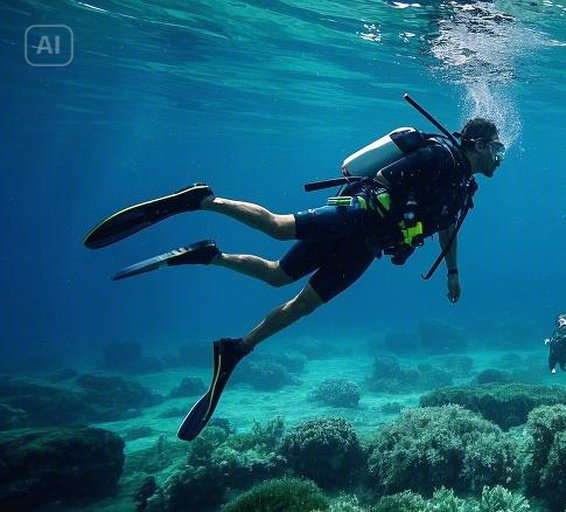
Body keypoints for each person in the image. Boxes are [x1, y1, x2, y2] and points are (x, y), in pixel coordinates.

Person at [84, 113, 505, 440]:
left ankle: (225, 307)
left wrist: (452, 272)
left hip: (367, 247)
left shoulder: (464, 187)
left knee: (283, 284)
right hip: (354, 215)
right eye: (497, 148)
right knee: (278, 227)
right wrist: (404, 212)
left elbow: (448, 228)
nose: (500, 158)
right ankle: (202, 200)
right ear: (480, 144)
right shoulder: (439, 156)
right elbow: (383, 179)